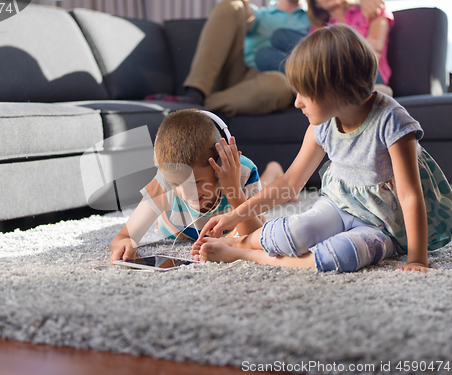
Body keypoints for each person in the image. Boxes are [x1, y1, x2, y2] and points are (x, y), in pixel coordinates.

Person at [191, 24, 452, 273]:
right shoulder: (323, 126)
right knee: (292, 233)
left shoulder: (392, 121)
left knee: (341, 256)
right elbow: (290, 183)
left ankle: (242, 253)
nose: (296, 103)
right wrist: (234, 217)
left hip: (383, 227)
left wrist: (417, 259)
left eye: (303, 93)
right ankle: (236, 243)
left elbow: (410, 195)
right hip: (337, 208)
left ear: (336, 90)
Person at [146, 0, 385, 117]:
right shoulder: (259, 13)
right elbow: (239, 14)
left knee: (280, 84)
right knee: (232, 5)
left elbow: (340, 36)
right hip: (233, 72)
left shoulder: (313, 21)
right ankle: (195, 92)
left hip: (264, 83)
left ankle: (191, 107)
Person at [110, 109, 274, 263]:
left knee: (265, 199)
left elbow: (257, 239)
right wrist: (125, 244)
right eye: (175, 184)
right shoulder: (164, 182)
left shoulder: (242, 172)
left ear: (219, 164)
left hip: (236, 209)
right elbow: (123, 237)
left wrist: (233, 190)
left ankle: (273, 172)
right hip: (175, 229)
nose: (186, 194)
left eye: (195, 183)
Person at [306, 0, 394, 95]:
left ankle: (357, 93)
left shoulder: (372, 9)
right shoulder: (317, 30)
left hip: (369, 72)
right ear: (315, 3)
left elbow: (374, 51)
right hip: (334, 75)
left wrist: (335, 56)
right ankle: (363, 94)